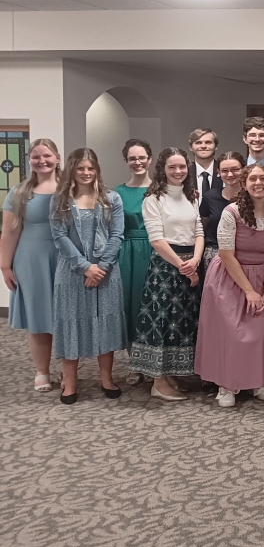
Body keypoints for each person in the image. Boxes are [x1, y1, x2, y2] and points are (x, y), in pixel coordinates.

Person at [195, 164, 264, 408]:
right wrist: (249, 291)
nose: (258, 183)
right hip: (230, 276)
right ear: (244, 184)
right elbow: (226, 254)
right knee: (232, 333)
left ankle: (258, 381)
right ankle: (227, 384)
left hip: (262, 275)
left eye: (263, 179)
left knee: (259, 332)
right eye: (253, 179)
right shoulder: (231, 212)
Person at [49, 148, 126, 404]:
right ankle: (70, 382)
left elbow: (117, 235)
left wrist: (100, 267)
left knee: (106, 324)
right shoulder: (60, 200)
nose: (86, 172)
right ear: (72, 170)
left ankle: (107, 379)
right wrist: (85, 267)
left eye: (90, 168)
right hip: (72, 272)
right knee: (71, 323)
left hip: (106, 271)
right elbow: (59, 237)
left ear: (97, 170)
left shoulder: (111, 198)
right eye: (81, 168)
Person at [130, 147, 205, 401]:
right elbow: (156, 240)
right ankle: (158, 383)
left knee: (181, 323)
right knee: (161, 323)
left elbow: (199, 232)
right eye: (172, 167)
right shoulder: (153, 199)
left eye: (182, 166)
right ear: (162, 169)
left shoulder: (191, 195)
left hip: (191, 263)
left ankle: (171, 375)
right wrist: (182, 265)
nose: (178, 171)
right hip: (165, 267)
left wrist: (195, 261)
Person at [1, 139, 60, 393]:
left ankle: (69, 369)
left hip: (66, 258)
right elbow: (9, 232)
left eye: (47, 155)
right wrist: (5, 266)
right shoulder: (19, 192)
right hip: (31, 260)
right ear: (29, 160)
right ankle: (42, 371)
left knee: (67, 316)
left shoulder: (70, 188)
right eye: (35, 156)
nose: (41, 161)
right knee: (38, 317)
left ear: (57, 158)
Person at [114, 139, 153, 385]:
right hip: (127, 252)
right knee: (130, 306)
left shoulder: (160, 189)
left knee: (151, 306)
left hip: (155, 249)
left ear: (150, 159)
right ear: (126, 161)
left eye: (141, 158)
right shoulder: (117, 193)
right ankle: (135, 363)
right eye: (132, 158)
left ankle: (152, 362)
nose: (137, 162)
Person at [199, 152, 246, 267]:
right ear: (218, 172)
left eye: (235, 169)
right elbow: (203, 227)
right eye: (224, 171)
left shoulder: (252, 197)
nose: (230, 174)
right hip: (215, 255)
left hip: (244, 254)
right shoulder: (210, 197)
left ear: (244, 170)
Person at [188, 128, 222, 205]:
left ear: (216, 146)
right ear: (190, 147)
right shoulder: (184, 172)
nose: (203, 146)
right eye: (198, 143)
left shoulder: (225, 171)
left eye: (208, 142)